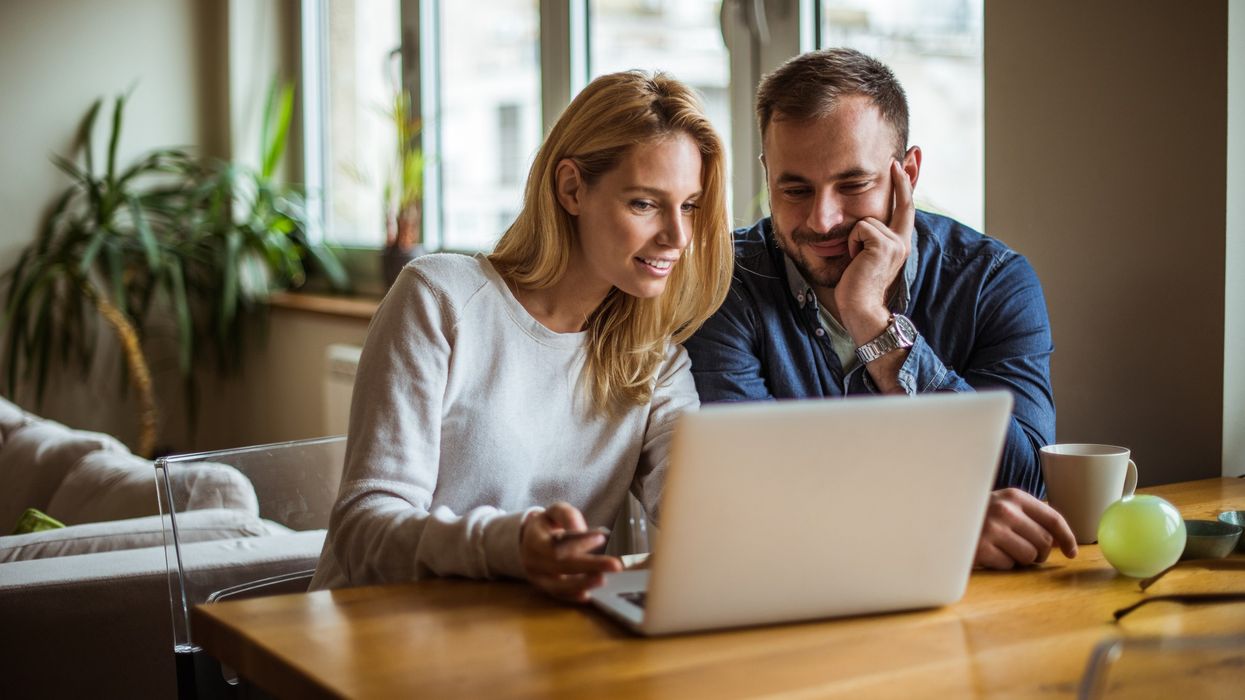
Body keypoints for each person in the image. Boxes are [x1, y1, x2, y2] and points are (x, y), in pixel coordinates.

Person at [311, 71, 733, 601]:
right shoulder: (441, 299)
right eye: (645, 204)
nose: (678, 236)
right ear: (571, 188)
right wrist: (507, 546)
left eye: (689, 205)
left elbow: (694, 507)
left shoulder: (655, 360)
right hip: (375, 638)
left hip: (530, 643)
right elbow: (362, 530)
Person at [683, 48, 1077, 570]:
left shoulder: (993, 283)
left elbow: (1024, 484)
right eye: (795, 188)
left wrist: (873, 321)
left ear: (906, 172)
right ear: (767, 174)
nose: (822, 220)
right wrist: (940, 523)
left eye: (853, 184)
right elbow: (746, 494)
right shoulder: (723, 282)